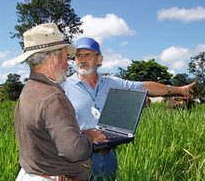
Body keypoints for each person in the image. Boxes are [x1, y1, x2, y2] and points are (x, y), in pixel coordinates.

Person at [62, 37, 195, 181]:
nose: (82, 60)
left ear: (99, 59)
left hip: (108, 155)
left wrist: (179, 89)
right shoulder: (63, 87)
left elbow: (146, 87)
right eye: (78, 56)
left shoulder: (113, 83)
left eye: (87, 55)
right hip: (78, 159)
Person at [14, 24, 107, 181]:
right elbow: (73, 151)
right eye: (65, 57)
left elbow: (47, 137)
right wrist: (89, 137)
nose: (67, 64)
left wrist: (79, 135)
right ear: (53, 59)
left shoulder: (29, 89)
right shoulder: (53, 97)